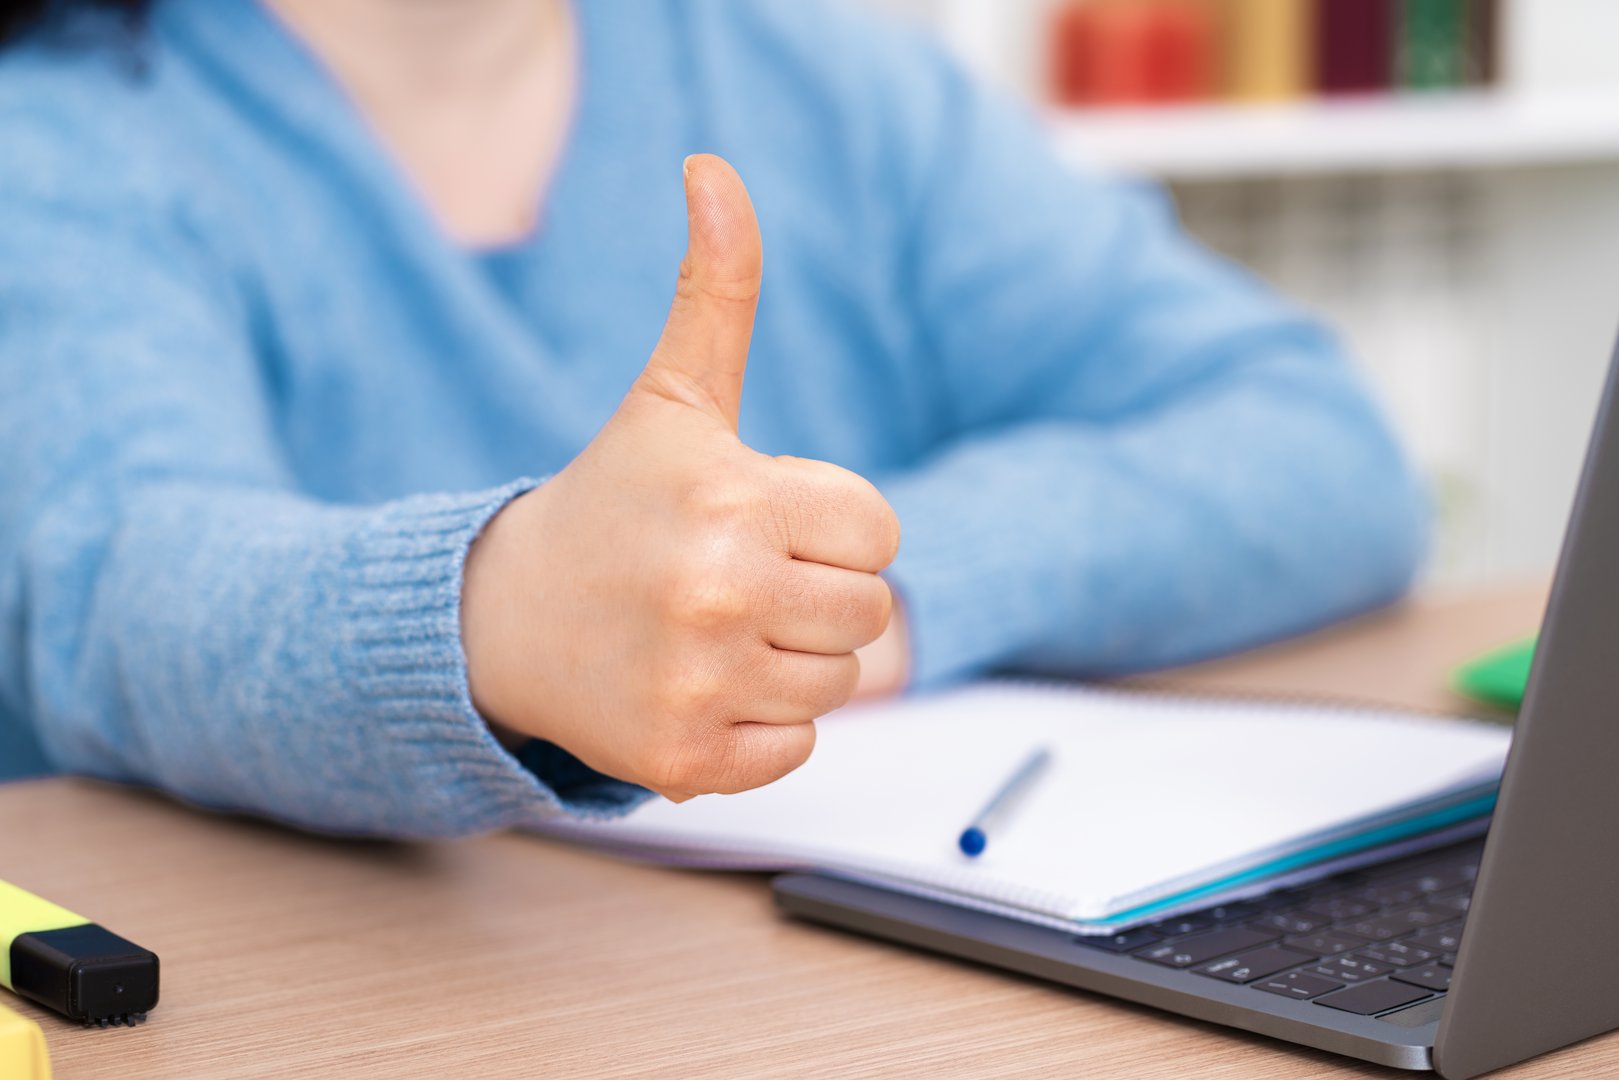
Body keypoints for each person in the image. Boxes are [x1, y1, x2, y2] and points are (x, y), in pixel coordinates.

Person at [0, 0, 1426, 836]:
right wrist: (501, 617)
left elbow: (1315, 446)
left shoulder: (816, 67)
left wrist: (835, 608)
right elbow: (118, 590)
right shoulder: (63, 135)